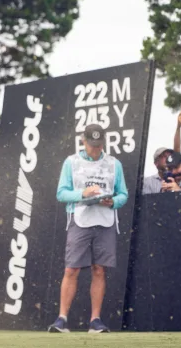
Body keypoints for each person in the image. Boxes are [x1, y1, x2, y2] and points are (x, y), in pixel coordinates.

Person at [48, 124, 129, 334]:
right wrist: (83, 194)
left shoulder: (114, 163)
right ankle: (61, 319)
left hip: (105, 220)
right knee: (71, 269)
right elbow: (61, 194)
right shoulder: (71, 162)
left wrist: (112, 202)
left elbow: (123, 194)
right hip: (80, 219)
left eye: (99, 145)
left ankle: (95, 320)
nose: (95, 149)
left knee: (99, 269)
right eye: (92, 145)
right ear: (83, 140)